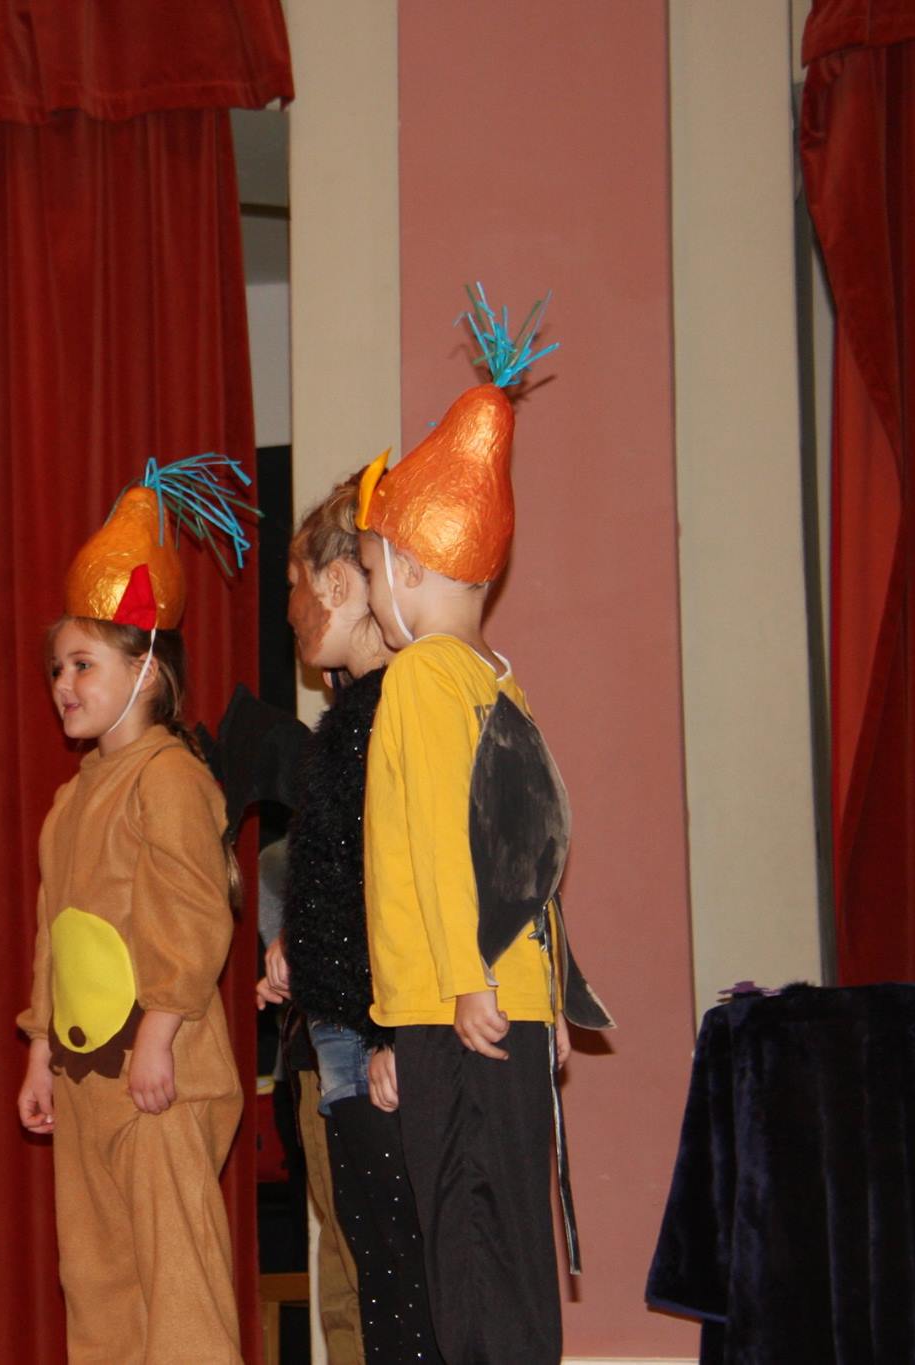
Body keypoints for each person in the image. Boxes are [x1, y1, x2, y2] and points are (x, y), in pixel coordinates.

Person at [353, 291, 610, 1364]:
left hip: (455, 1010)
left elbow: (439, 843)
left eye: (371, 571)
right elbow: (530, 848)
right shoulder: (498, 680)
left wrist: (460, 982)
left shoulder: (417, 677)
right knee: (511, 1244)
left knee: (465, 1247)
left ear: (410, 571)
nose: (371, 598)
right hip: (506, 1006)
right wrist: (544, 996)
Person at [14, 455, 254, 1362]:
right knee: (100, 1278)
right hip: (87, 1080)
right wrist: (41, 1052)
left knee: (176, 1278)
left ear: (146, 666)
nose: (63, 684)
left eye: (83, 663)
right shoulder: (70, 801)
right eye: (56, 669)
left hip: (162, 1075)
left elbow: (195, 915)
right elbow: (54, 937)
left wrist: (157, 1034)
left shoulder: (170, 778)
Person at [262, 473, 444, 1362]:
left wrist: (392, 1032)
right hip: (345, 1044)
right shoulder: (352, 719)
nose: (290, 610)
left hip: (378, 1048)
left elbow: (413, 884)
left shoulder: (395, 711)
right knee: (375, 1277)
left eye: (296, 584)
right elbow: (349, 875)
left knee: (405, 1290)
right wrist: (298, 942)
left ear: (340, 581)